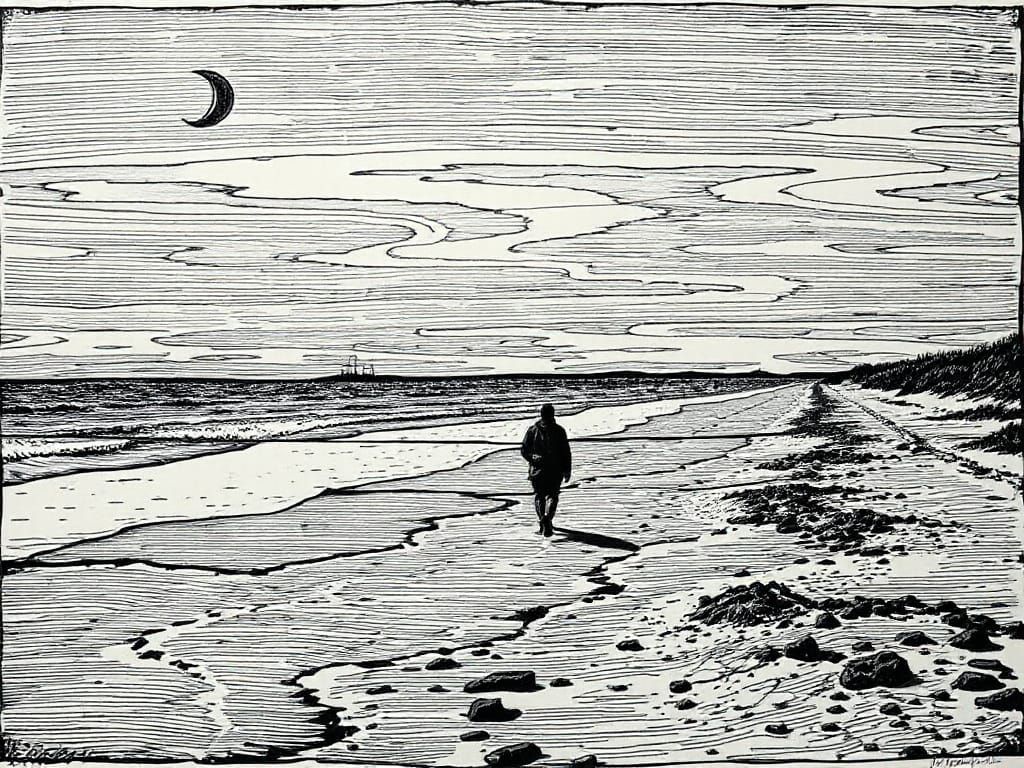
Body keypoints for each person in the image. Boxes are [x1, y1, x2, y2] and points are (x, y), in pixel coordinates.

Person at [520, 403, 572, 537]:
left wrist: (532, 457)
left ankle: (542, 520)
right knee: (553, 496)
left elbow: (524, 450)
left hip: (538, 470)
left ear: (541, 415)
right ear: (553, 414)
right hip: (555, 469)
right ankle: (548, 519)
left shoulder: (532, 430)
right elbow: (566, 452)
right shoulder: (559, 430)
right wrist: (567, 470)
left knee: (539, 496)